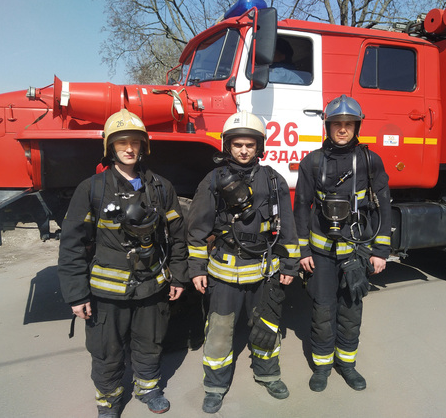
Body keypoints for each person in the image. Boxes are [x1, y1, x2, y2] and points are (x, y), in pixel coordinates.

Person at [58, 109, 189, 418]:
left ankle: (148, 388)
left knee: (150, 342)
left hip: (151, 287)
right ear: (110, 147)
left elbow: (178, 236)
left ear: (143, 146)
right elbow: (72, 245)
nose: (129, 149)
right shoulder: (92, 188)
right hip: (107, 294)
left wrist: (179, 276)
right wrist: (76, 294)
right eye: (121, 143)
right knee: (107, 350)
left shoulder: (161, 187)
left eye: (135, 142)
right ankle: (109, 401)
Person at [187, 110, 300, 414]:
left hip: (264, 272)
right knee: (219, 332)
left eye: (250, 145)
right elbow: (197, 228)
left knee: (267, 327)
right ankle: (215, 386)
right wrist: (196, 268)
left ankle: (268, 375)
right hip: (224, 274)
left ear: (259, 147)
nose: (244, 150)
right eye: (238, 144)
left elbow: (287, 226)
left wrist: (290, 265)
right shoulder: (213, 180)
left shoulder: (273, 180)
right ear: (228, 146)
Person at [294, 95, 391, 393]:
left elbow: (383, 206)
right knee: (323, 310)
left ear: (357, 127)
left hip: (356, 251)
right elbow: (301, 206)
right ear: (328, 126)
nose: (343, 129)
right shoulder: (312, 162)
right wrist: (303, 250)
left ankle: (347, 365)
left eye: (349, 124)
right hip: (321, 253)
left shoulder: (370, 161)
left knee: (351, 310)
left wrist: (380, 251)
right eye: (337, 123)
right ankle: (322, 367)